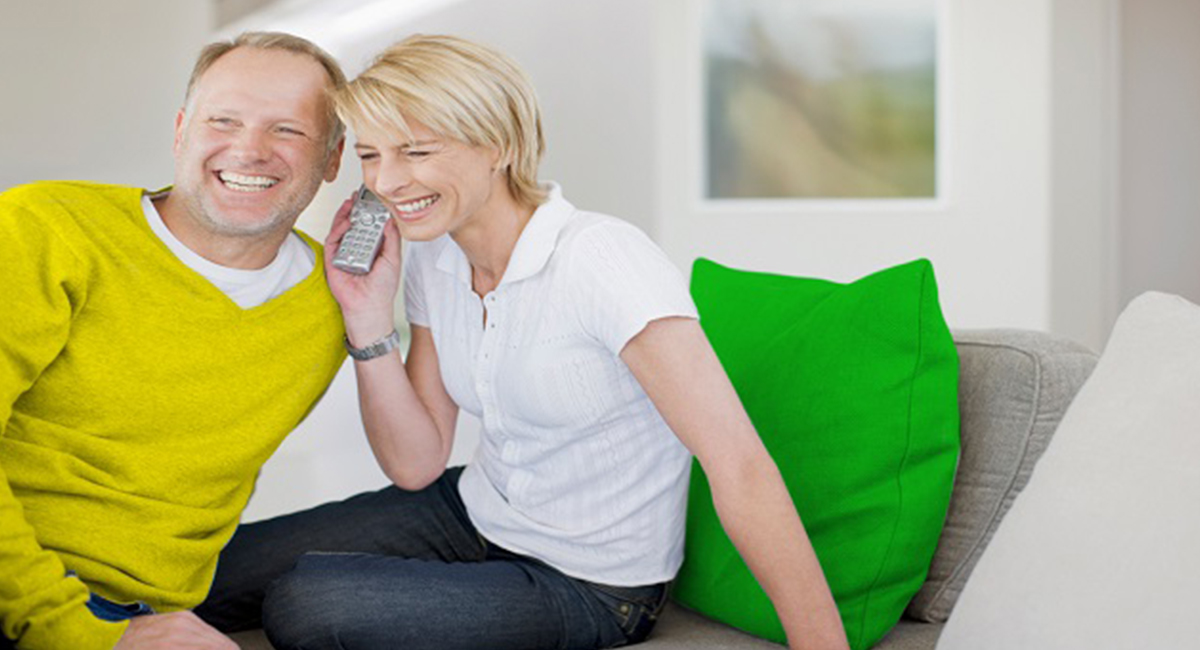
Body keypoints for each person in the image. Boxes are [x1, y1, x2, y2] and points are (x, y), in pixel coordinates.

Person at [237, 34, 851, 650]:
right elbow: (416, 464)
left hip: (592, 584)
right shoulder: (431, 254)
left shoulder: (603, 260)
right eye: (370, 156)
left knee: (306, 602)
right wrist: (368, 321)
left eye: (416, 150)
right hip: (472, 512)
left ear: (499, 146)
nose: (389, 182)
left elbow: (738, 464)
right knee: (217, 568)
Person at [0, 32, 347, 650]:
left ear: (332, 159)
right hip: (28, 594)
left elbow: (418, 460)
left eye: (287, 131)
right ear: (182, 130)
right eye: (224, 120)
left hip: (152, 604)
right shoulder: (47, 228)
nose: (249, 149)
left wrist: (371, 324)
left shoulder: (336, 299)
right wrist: (74, 631)